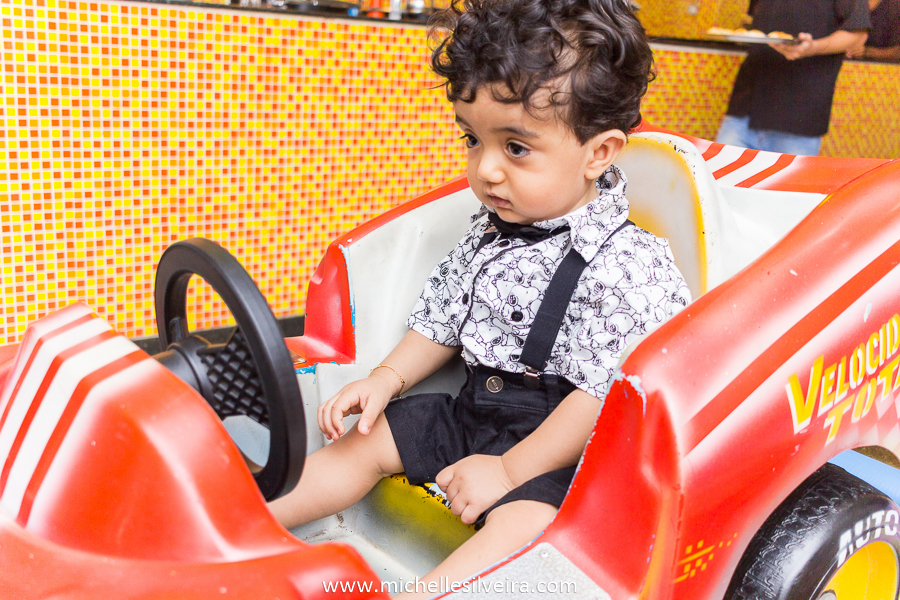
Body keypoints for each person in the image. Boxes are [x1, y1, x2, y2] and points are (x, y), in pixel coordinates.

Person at [268, 0, 690, 596]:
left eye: (515, 147)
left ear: (597, 153)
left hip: (560, 452)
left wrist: (511, 472)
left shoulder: (630, 265)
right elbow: (443, 317)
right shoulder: (489, 230)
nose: (485, 169)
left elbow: (601, 396)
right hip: (475, 410)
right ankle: (243, 523)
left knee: (533, 524)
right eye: (473, 139)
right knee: (365, 441)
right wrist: (386, 378)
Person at [716, 0, 871, 156]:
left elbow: (858, 34)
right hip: (743, 109)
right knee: (719, 170)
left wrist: (813, 47)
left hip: (798, 118)